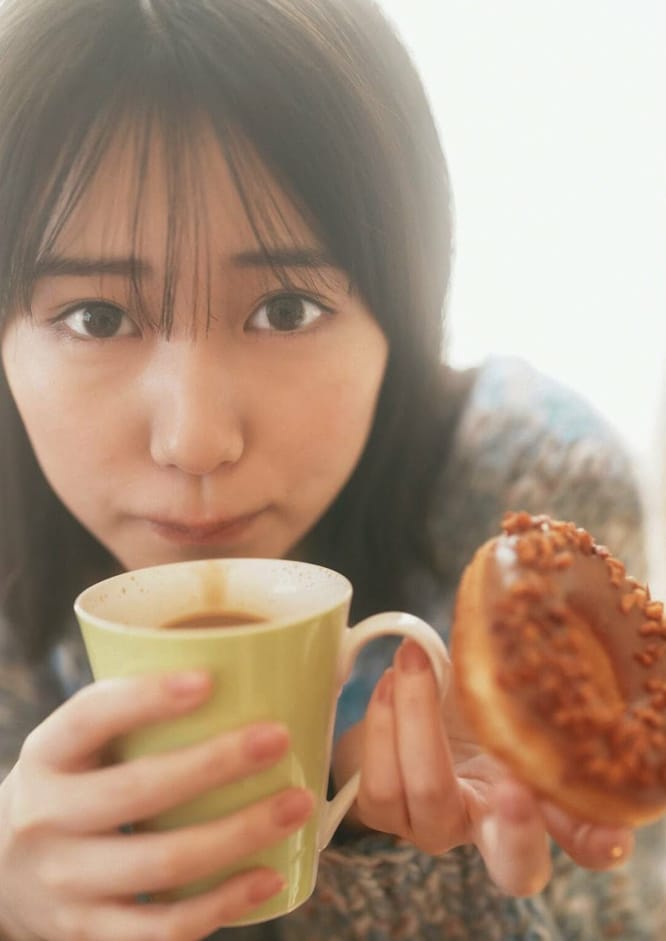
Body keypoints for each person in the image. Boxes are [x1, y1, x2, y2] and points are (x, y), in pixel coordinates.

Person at [0, 0, 659, 938]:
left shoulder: (525, 479)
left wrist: (390, 847)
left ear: (405, 310)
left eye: (286, 308)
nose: (196, 440)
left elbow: (619, 910)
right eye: (96, 317)